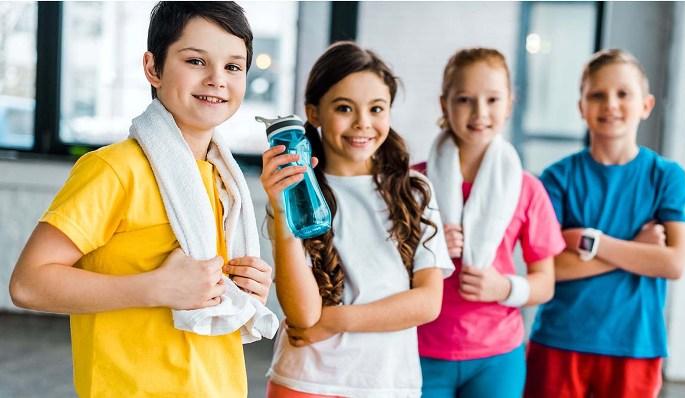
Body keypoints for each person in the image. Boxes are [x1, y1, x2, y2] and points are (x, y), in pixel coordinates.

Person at [9, 2, 272, 396]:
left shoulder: (224, 180)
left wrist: (245, 286)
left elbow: (203, 291)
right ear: (153, 68)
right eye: (196, 61)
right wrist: (158, 288)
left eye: (233, 66)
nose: (218, 79)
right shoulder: (115, 169)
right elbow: (29, 284)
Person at [260, 41, 454, 398]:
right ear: (314, 113)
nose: (363, 123)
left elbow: (428, 303)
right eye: (344, 108)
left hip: (388, 384)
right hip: (305, 382)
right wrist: (285, 219)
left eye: (376, 108)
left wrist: (336, 321)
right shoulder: (296, 192)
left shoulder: (414, 191)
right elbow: (303, 317)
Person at [525, 49, 685, 398]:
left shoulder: (667, 177)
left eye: (623, 94)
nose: (610, 104)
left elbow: (673, 262)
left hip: (635, 343)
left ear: (646, 105)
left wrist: (592, 243)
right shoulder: (557, 178)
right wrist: (639, 249)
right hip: (560, 339)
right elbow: (550, 268)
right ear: (581, 107)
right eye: (597, 95)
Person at [413, 48, 565, 398]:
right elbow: (385, 268)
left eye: (493, 99)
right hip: (421, 348)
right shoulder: (413, 183)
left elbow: (546, 283)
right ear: (444, 104)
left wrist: (505, 288)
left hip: (498, 356)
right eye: (465, 99)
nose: (480, 113)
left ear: (510, 103)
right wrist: (428, 248)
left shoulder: (528, 189)